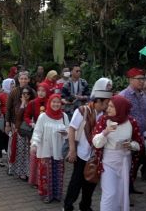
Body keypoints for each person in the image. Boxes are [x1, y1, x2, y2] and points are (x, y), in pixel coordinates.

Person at [63, 77, 113, 211]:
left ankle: (85, 206)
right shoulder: (83, 111)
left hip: (96, 155)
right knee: (76, 182)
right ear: (98, 101)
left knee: (90, 182)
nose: (108, 105)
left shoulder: (105, 115)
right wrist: (72, 150)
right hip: (81, 154)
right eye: (106, 102)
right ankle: (68, 206)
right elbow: (72, 129)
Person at [92, 95, 143, 211]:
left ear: (121, 108)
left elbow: (139, 144)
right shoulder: (104, 120)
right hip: (108, 162)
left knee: (121, 193)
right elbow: (96, 143)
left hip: (125, 161)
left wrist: (130, 145)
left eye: (111, 106)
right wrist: (105, 132)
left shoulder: (131, 122)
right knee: (110, 194)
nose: (108, 109)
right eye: (108, 106)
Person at [30, 94, 69, 203]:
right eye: (53, 102)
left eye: (58, 102)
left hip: (58, 150)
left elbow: (69, 132)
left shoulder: (64, 116)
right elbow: (37, 132)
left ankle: (57, 195)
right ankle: (46, 195)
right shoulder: (43, 116)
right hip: (45, 150)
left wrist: (65, 133)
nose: (56, 104)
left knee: (58, 173)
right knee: (45, 174)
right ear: (49, 102)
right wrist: (34, 144)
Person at [119, 68, 146, 192]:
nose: (142, 82)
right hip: (128, 137)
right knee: (127, 164)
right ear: (130, 80)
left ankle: (130, 187)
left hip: (140, 135)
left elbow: (145, 114)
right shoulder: (123, 96)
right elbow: (120, 117)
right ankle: (124, 191)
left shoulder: (142, 95)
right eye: (139, 79)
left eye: (143, 79)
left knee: (135, 163)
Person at [6, 72, 36, 179]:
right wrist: (7, 123)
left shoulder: (32, 92)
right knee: (14, 148)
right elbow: (8, 109)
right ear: (18, 79)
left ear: (28, 80)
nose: (23, 80)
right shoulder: (14, 91)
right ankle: (11, 168)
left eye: (25, 78)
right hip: (16, 124)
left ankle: (26, 171)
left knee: (27, 150)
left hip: (29, 126)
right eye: (21, 78)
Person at [24, 82, 50, 187]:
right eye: (39, 90)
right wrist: (31, 123)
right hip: (36, 133)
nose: (41, 93)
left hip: (48, 134)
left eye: (43, 91)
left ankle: (46, 178)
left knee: (45, 156)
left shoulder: (50, 102)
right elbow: (26, 116)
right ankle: (35, 180)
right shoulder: (33, 103)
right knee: (35, 157)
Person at [0, 78, 16, 152]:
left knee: (10, 133)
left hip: (12, 115)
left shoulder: (14, 93)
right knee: (4, 132)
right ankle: (3, 147)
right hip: (4, 115)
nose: (13, 85)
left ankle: (8, 147)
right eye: (11, 84)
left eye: (13, 83)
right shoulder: (2, 94)